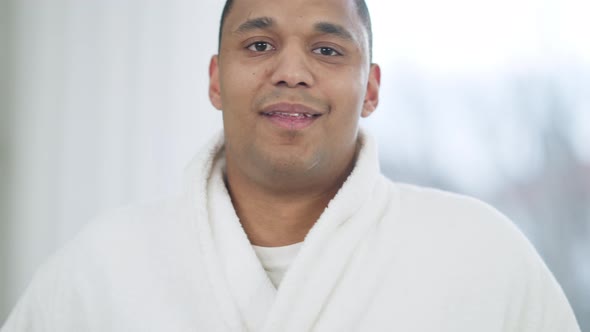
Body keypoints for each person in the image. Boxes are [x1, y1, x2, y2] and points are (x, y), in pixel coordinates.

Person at [1, 0, 581, 331]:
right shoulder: (98, 269)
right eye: (258, 45)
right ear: (214, 80)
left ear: (371, 89)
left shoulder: (481, 256)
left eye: (328, 50)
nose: (291, 72)